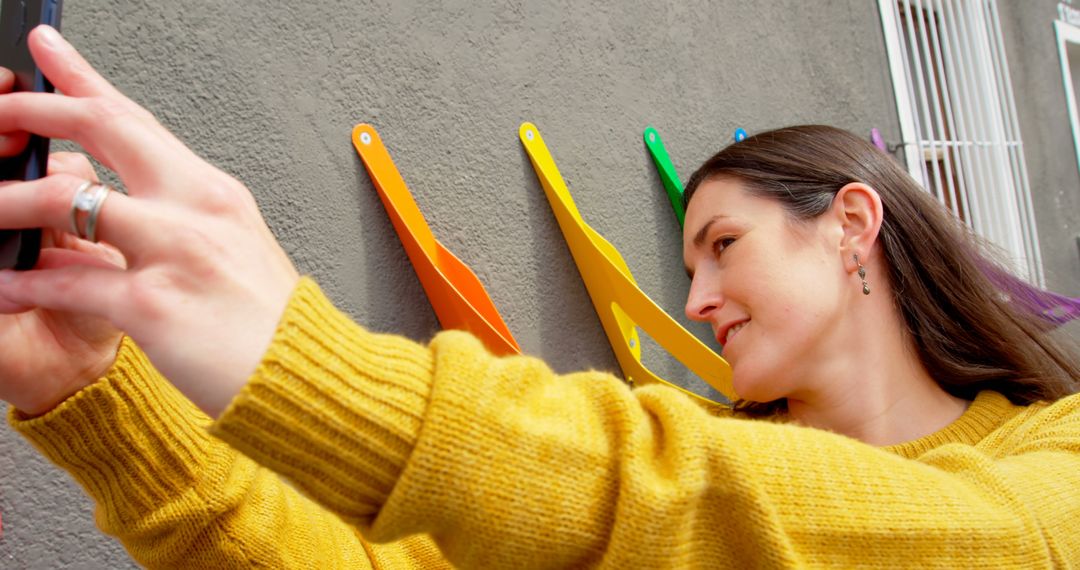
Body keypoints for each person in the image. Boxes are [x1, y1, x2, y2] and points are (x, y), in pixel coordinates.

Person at [1, 25, 1079, 568]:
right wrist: (94, 397)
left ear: (851, 224)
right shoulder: (665, 466)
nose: (697, 296)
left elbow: (928, 538)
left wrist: (301, 362)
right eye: (689, 262)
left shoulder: (1053, 466)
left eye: (722, 245)